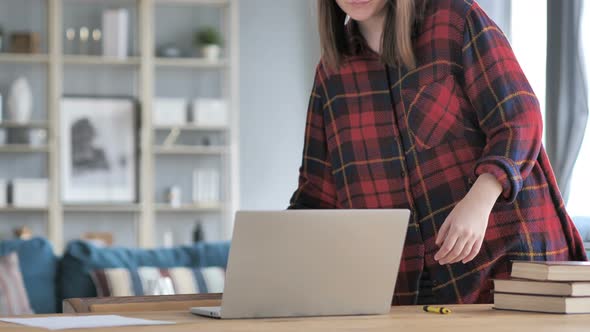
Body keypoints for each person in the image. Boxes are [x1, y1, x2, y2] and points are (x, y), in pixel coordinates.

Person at [289, 0, 587, 305]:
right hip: (409, 293)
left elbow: (519, 117)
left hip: (512, 270)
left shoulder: (454, 20)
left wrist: (479, 199)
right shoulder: (331, 75)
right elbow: (318, 193)